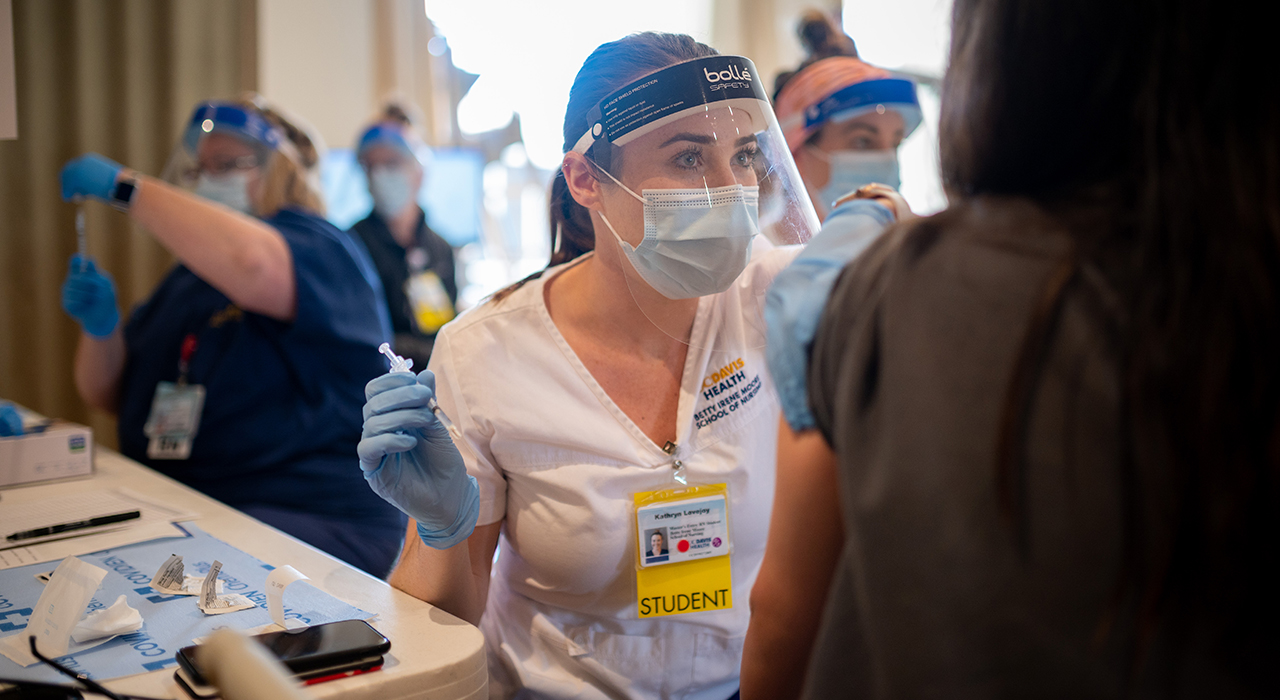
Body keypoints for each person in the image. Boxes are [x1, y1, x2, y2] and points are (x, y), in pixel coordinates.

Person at [744, 0, 1280, 696]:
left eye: (893, 139)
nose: (882, 159)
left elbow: (788, 613)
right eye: (857, 138)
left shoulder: (886, 293)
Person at [357, 32, 821, 699]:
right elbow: (441, 630)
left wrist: (879, 214)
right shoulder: (489, 353)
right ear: (585, 180)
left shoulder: (778, 300)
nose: (731, 190)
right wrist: (441, 532)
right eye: (689, 157)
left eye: (744, 154)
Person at [58, 97, 406, 577]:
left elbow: (252, 262)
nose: (208, 178)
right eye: (201, 168)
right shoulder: (190, 276)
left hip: (307, 513)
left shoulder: (318, 247)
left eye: (227, 165)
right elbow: (106, 393)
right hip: (193, 504)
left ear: (279, 169)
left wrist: (125, 189)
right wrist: (101, 331)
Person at [772, 10, 922, 221]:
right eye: (862, 141)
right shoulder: (756, 252)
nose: (889, 163)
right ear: (796, 154)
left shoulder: (909, 248)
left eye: (896, 144)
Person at [349, 104, 458, 368]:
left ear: (419, 172)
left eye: (391, 164)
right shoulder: (351, 247)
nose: (379, 176)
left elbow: (449, 328)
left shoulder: (440, 248)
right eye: (370, 167)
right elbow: (359, 336)